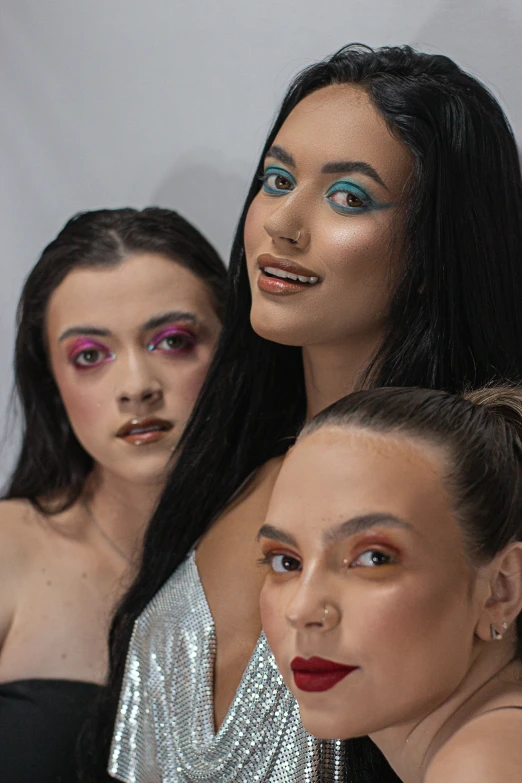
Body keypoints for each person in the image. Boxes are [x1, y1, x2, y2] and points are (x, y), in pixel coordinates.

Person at [100, 45, 522, 783]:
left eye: (349, 197)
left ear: (436, 249)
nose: (283, 225)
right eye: (276, 180)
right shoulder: (223, 465)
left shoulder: (467, 494)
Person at [0, 207, 226, 783]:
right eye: (89, 356)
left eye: (173, 341)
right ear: (51, 384)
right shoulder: (9, 549)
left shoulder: (292, 555)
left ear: (233, 353)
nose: (136, 387)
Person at [259, 385, 522, 783]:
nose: (301, 610)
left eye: (374, 558)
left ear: (502, 589)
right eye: (286, 561)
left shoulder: (481, 764)